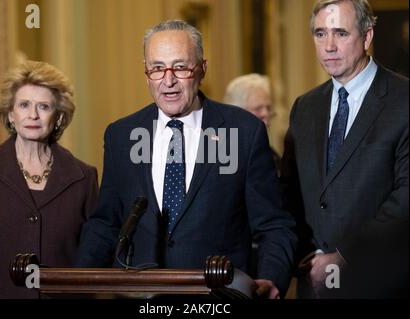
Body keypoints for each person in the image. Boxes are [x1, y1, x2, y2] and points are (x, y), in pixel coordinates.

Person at [75, 20, 297, 299]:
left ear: (202, 69)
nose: (168, 80)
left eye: (180, 67)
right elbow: (105, 224)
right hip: (143, 298)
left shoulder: (243, 132)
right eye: (157, 68)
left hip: (218, 298)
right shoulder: (122, 135)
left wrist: (271, 279)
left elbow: (273, 224)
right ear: (146, 73)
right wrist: (77, 285)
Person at [281, 0, 408, 298]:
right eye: (320, 33)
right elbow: (288, 192)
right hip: (313, 282)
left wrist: (344, 257)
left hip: (380, 282)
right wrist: (304, 256)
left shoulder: (403, 100)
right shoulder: (305, 106)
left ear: (367, 36)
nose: (329, 46)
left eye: (340, 33)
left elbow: (405, 199)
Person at [0, 60, 99, 298]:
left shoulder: (84, 178)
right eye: (24, 105)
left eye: (44, 106)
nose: (33, 115)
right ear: (11, 114)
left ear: (58, 117)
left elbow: (92, 257)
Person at [224, 74, 281, 171]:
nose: (266, 114)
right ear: (237, 113)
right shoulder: (224, 156)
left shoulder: (272, 156)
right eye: (258, 108)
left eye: (268, 108)